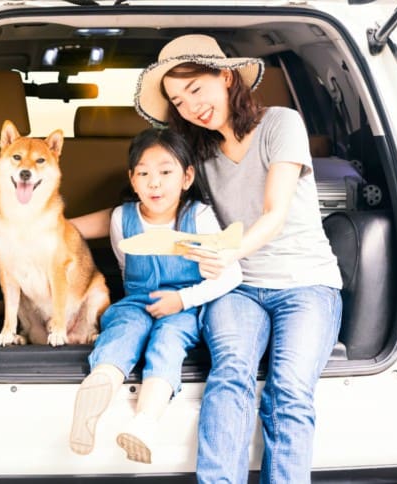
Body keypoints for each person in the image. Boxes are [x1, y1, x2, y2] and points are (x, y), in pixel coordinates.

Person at [72, 34, 343, 483]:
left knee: (290, 391)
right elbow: (150, 207)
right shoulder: (198, 151)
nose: (190, 106)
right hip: (236, 287)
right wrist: (53, 227)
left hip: (304, 283)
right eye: (178, 101)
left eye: (196, 89)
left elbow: (274, 213)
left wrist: (230, 251)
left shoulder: (281, 124)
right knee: (230, 375)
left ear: (226, 76)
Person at [69, 128, 241, 465]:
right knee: (124, 328)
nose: (154, 183)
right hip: (138, 300)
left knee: (168, 342)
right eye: (144, 174)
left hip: (183, 303)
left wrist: (183, 300)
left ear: (187, 177)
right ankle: (98, 387)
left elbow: (232, 274)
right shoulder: (122, 218)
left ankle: (145, 422)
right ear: (132, 180)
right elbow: (126, 269)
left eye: (166, 172)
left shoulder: (200, 218)